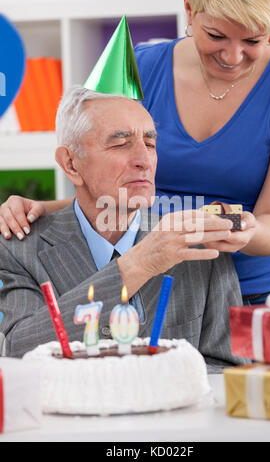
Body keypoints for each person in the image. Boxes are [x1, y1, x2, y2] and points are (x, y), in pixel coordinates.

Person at [1, 0, 270, 305]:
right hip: (157, 288)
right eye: (216, 35)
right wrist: (39, 209)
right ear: (189, 8)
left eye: (253, 41)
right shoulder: (142, 66)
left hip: (258, 294)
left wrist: (246, 231)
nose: (233, 56)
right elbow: (112, 194)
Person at [0, 85, 247, 373]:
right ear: (71, 164)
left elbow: (229, 369)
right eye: (121, 143)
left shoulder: (199, 242)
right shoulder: (19, 247)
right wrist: (135, 266)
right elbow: (19, 350)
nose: (144, 160)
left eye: (150, 144)